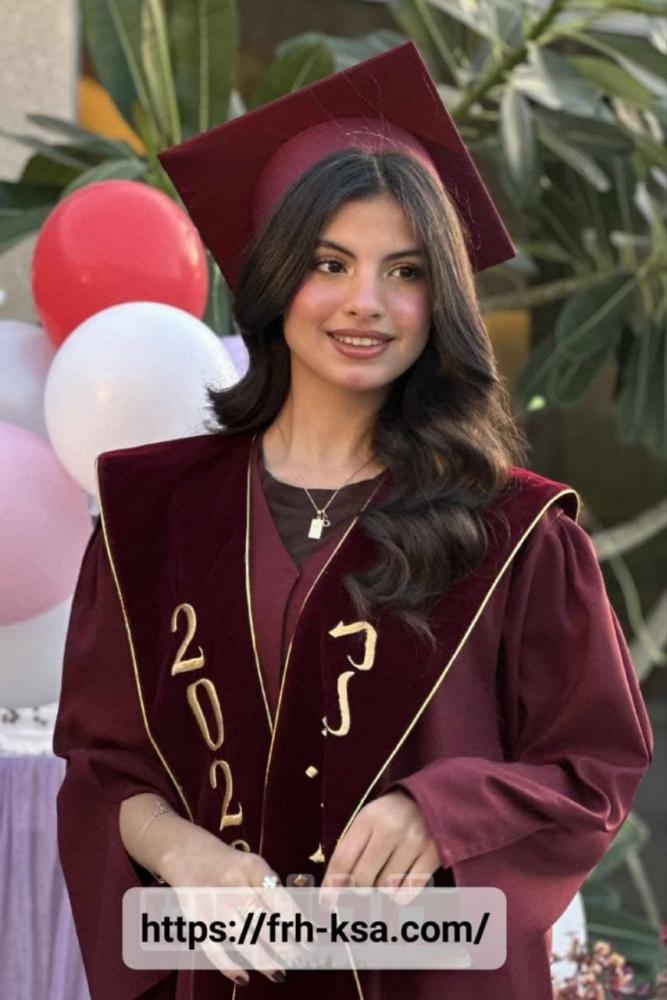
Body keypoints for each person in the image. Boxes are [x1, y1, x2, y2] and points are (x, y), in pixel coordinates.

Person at [53, 43, 652, 1000]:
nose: (365, 304)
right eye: (329, 262)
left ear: (440, 297)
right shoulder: (150, 515)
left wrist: (442, 810)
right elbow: (103, 767)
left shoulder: (515, 534)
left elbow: (594, 769)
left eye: (404, 271)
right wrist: (183, 854)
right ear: (274, 276)